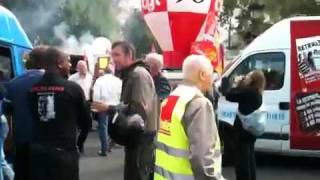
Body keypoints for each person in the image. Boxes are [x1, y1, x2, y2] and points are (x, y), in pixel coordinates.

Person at [91, 41, 159, 180]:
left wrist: (109, 108)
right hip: (136, 138)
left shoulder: (138, 75)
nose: (113, 59)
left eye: (117, 55)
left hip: (141, 138)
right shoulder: (131, 74)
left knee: (137, 176)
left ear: (129, 55)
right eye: (112, 55)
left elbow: (139, 111)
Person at [154, 54, 224, 180]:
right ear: (202, 75)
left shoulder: (171, 99)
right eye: (211, 74)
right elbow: (201, 158)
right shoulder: (199, 104)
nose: (212, 80)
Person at [28, 47, 91, 180]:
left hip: (38, 155)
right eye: (68, 61)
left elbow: (33, 117)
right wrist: (79, 144)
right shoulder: (73, 89)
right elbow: (86, 123)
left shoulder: (32, 89)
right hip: (64, 155)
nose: (70, 65)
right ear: (59, 63)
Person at [2, 46, 47, 180]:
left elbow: (7, 114)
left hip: (21, 142)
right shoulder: (54, 82)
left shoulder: (13, 83)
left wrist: (9, 141)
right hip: (47, 142)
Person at [222, 70, 265, 180]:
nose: (245, 77)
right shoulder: (257, 91)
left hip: (243, 130)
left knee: (242, 161)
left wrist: (231, 81)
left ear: (253, 79)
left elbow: (229, 95)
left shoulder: (249, 91)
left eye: (248, 76)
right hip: (251, 131)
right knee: (249, 157)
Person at [93, 67, 122, 156]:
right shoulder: (118, 81)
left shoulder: (99, 80)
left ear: (104, 72)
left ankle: (104, 149)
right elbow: (121, 93)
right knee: (115, 126)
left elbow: (96, 94)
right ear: (112, 72)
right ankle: (111, 145)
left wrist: (96, 106)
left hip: (103, 106)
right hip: (115, 106)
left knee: (103, 128)